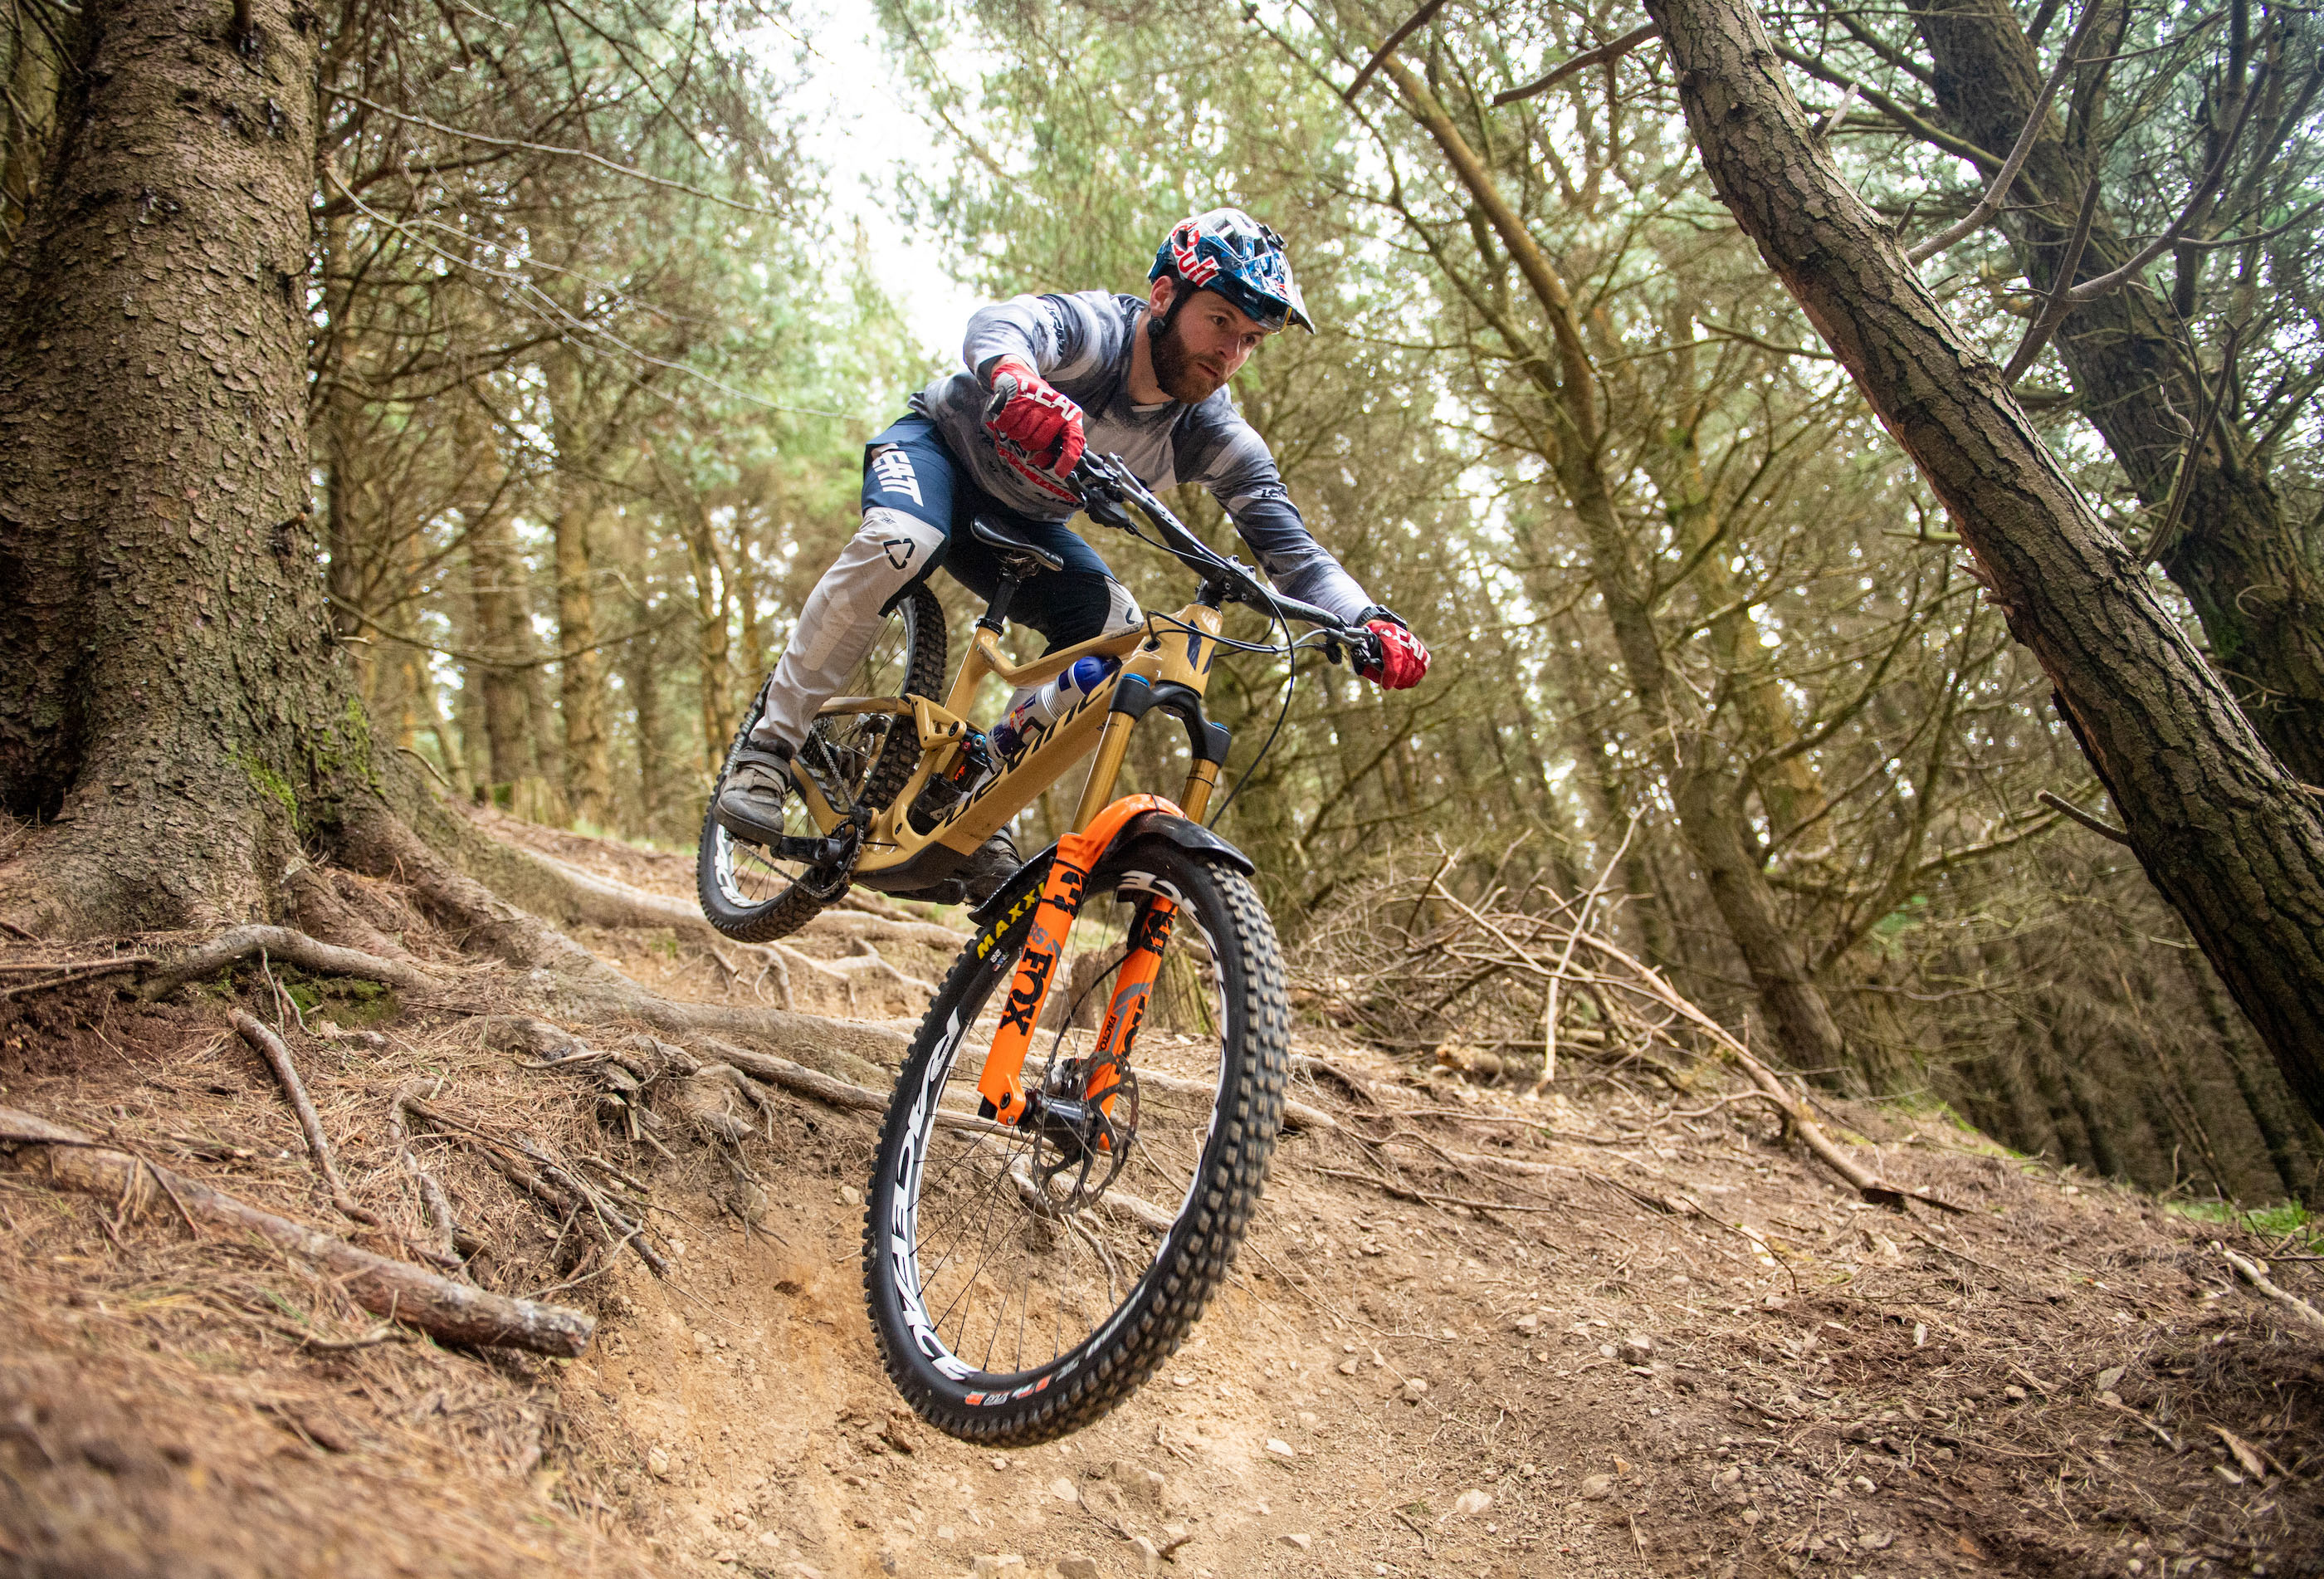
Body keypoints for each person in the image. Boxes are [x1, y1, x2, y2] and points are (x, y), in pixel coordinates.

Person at [715, 208, 1430, 900]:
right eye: (1220, 322)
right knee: (904, 541)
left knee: (1121, 632)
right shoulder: (1101, 335)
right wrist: (1018, 382)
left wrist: (1366, 620)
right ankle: (768, 751)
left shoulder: (1210, 432)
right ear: (1163, 296)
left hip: (1026, 518)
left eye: (1251, 340)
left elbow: (1293, 553)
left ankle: (971, 785)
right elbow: (1001, 326)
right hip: (937, 454)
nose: (1230, 353)